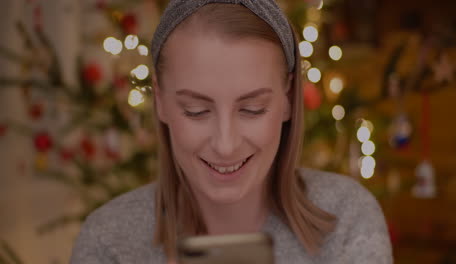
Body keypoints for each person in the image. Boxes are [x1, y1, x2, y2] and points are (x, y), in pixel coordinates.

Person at [70, 0, 393, 263]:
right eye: (196, 111)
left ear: (288, 99)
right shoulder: (108, 240)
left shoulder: (347, 219)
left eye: (252, 109)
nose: (226, 145)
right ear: (160, 101)